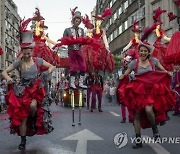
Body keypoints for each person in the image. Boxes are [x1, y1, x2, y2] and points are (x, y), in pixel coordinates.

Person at [2, 31, 55, 150]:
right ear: (22, 52)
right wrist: (9, 79)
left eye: (28, 53)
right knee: (22, 118)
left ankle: (34, 117)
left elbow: (52, 66)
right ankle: (23, 140)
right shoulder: (18, 62)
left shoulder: (38, 61)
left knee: (32, 106)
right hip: (22, 92)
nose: (26, 56)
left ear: (32, 52)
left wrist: (45, 73)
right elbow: (4, 72)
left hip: (35, 91)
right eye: (24, 53)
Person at [118, 41, 175, 148]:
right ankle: (138, 140)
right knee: (137, 115)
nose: (143, 53)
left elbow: (164, 71)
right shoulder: (134, 63)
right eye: (141, 51)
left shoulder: (153, 61)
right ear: (138, 52)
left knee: (149, 110)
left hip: (150, 92)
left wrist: (168, 73)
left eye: (145, 51)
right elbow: (126, 74)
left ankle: (155, 129)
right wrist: (122, 76)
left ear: (148, 52)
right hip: (138, 92)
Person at [63, 8, 87, 89]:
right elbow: (64, 39)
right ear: (73, 21)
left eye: (79, 21)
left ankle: (80, 83)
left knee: (83, 66)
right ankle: (72, 83)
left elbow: (83, 40)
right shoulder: (67, 30)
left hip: (79, 50)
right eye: (76, 21)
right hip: (71, 50)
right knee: (74, 66)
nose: (77, 22)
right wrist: (70, 41)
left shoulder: (82, 30)